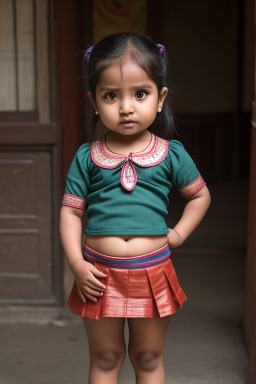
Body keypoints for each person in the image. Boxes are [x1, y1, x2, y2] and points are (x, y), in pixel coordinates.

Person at [60, 32, 211, 384]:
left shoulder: (172, 154)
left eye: (140, 94)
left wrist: (177, 234)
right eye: (111, 95)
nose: (126, 107)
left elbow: (200, 196)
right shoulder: (87, 157)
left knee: (147, 357)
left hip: (152, 271)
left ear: (160, 99)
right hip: (97, 275)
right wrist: (76, 265)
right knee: (106, 356)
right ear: (94, 101)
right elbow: (70, 212)